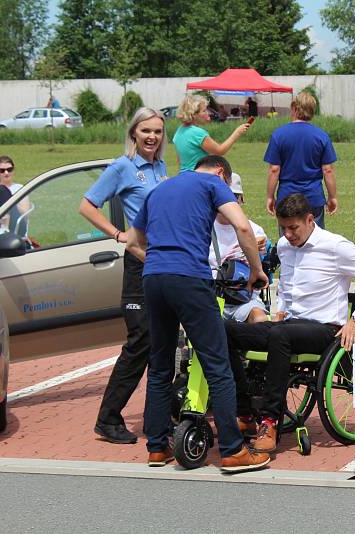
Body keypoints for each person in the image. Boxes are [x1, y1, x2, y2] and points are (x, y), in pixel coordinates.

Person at [125, 154, 270, 472]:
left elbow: (132, 241)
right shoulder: (212, 183)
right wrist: (256, 271)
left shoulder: (159, 189)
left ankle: (157, 447)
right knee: (217, 363)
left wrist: (159, 259)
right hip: (190, 278)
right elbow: (243, 226)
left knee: (160, 365)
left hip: (153, 278)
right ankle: (233, 450)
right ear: (222, 174)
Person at [225, 193, 355, 453]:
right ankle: (244, 412)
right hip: (290, 325)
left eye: (293, 228)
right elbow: (286, 286)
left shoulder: (335, 246)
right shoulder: (285, 247)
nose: (287, 234)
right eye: (283, 228)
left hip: (325, 329)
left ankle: (269, 421)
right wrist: (281, 310)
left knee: (280, 337)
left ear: (310, 220)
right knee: (226, 330)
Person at [78, 107, 169, 445]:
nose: (152, 137)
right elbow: (86, 205)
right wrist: (119, 236)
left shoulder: (160, 167)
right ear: (133, 133)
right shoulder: (122, 167)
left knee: (163, 342)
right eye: (146, 131)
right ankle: (108, 418)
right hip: (138, 263)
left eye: (158, 132)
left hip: (161, 261)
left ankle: (158, 415)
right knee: (140, 342)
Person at [264, 91, 338, 229]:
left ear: (294, 108)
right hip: (313, 196)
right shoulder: (321, 136)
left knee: (288, 241)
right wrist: (332, 197)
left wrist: (270, 196)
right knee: (316, 242)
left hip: (287, 196)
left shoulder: (278, 135)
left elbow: (274, 170)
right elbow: (327, 170)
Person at [209, 170, 268, 324]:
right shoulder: (203, 228)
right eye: (223, 196)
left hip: (244, 298)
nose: (228, 202)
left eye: (234, 197)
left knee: (260, 319)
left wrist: (255, 246)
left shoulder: (254, 230)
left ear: (241, 199)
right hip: (212, 297)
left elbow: (261, 248)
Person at [173, 94, 250, 172]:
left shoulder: (179, 131)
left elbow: (179, 161)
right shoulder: (197, 133)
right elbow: (220, 151)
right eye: (204, 111)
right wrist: (237, 132)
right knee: (234, 178)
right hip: (199, 175)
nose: (208, 113)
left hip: (184, 175)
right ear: (194, 115)